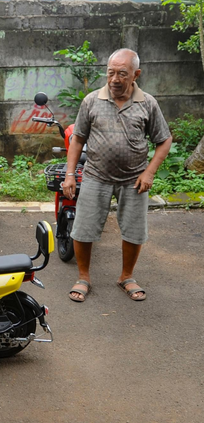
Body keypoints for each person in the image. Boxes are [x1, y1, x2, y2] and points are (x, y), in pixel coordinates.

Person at [62, 48, 172, 303]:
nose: (114, 79)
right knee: (83, 228)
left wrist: (149, 172)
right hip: (95, 175)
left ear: (136, 74)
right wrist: (70, 174)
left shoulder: (148, 103)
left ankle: (126, 276)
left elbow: (164, 141)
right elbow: (77, 139)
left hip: (134, 179)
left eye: (122, 74)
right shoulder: (91, 100)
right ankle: (83, 276)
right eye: (111, 72)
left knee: (134, 231)